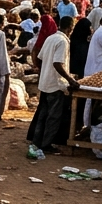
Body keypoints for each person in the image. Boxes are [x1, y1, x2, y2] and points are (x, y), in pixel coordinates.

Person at [28, 16, 80, 155]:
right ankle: (46, 144)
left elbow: (40, 57)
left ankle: (37, 142)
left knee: (43, 115)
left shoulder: (50, 38)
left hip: (45, 82)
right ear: (70, 28)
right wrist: (70, 80)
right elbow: (57, 63)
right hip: (55, 84)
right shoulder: (62, 41)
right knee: (53, 117)